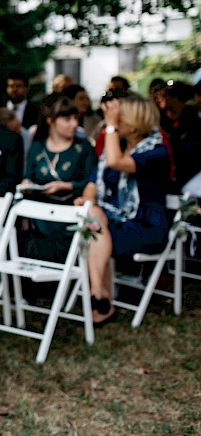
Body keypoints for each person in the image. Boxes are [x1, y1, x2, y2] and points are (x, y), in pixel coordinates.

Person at [74, 93, 172, 327]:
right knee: (93, 219)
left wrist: (108, 126)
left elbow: (116, 163)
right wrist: (87, 201)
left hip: (145, 227)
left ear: (136, 121)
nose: (115, 121)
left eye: (120, 117)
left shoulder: (157, 152)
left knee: (94, 232)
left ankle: (99, 300)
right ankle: (99, 295)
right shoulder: (115, 146)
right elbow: (91, 184)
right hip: (113, 223)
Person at [18, 93, 97, 261]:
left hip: (70, 213)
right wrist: (27, 184)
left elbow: (92, 181)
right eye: (67, 119)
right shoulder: (38, 146)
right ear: (50, 120)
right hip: (39, 218)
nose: (74, 124)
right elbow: (29, 175)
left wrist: (68, 186)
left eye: (76, 118)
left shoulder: (83, 148)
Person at [161, 80, 201, 190]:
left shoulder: (191, 117)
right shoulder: (167, 118)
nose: (164, 100)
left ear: (176, 98)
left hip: (191, 176)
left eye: (167, 96)